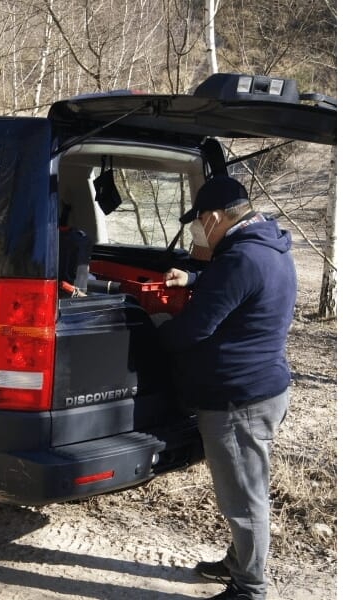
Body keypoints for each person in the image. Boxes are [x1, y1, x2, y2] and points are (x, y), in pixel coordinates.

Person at [156, 175, 295, 600]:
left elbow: (193, 331)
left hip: (240, 400)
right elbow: (241, 289)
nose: (198, 231)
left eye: (199, 222)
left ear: (215, 218)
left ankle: (250, 588)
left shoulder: (240, 258)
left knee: (243, 498)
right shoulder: (266, 245)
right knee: (244, 489)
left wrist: (149, 333)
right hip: (261, 388)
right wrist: (195, 282)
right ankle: (239, 563)